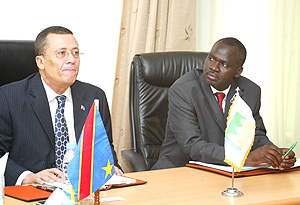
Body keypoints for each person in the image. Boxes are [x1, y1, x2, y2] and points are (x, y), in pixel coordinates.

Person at [0, 26, 123, 186]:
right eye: (62, 53)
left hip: (84, 191)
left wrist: (113, 167)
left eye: (75, 53)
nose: (71, 59)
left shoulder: (94, 96)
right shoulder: (8, 97)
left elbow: (104, 146)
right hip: (33, 192)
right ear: (41, 62)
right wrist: (27, 177)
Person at [152, 37, 296, 170]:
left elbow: (255, 134)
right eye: (211, 59)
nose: (213, 67)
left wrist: (274, 154)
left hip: (226, 172)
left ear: (238, 72)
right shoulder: (183, 90)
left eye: (224, 64)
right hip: (180, 171)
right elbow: (193, 146)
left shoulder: (250, 91)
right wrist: (244, 158)